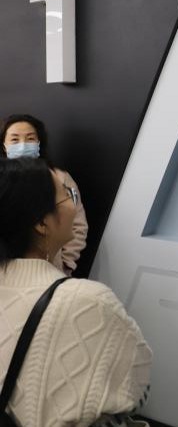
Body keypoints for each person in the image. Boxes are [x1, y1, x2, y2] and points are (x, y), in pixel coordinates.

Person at [0, 158, 152, 426]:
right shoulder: (89, 301)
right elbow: (136, 383)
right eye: (66, 195)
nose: (74, 205)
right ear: (41, 223)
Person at [0, 114, 87, 275]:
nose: (23, 145)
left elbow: (77, 224)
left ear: (39, 142)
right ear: (4, 145)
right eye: (15, 139)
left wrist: (66, 263)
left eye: (30, 138)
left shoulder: (59, 178)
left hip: (50, 269)